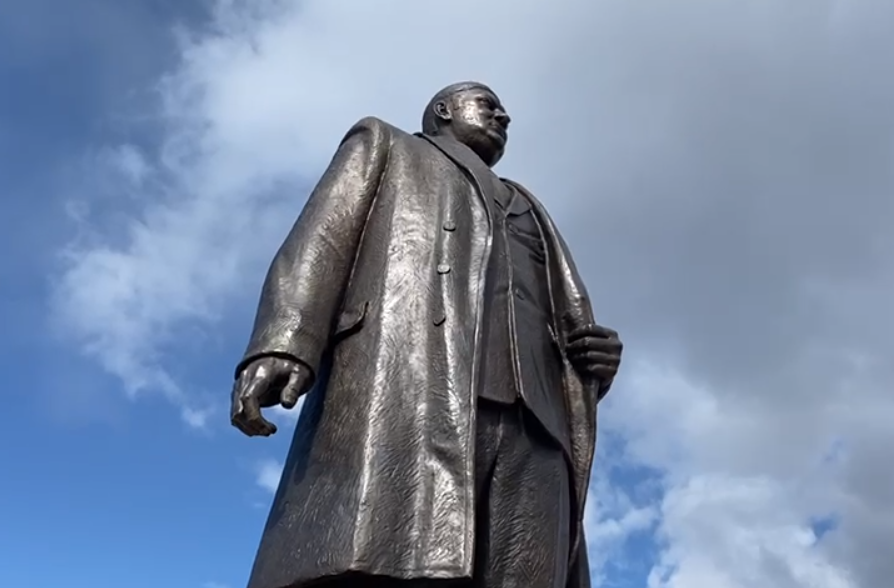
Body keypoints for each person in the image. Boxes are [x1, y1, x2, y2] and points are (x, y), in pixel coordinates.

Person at [230, 81, 622, 588]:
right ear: (443, 110)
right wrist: (284, 339)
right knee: (398, 560)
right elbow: (321, 239)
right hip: (412, 387)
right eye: (487, 104)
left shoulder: (531, 206)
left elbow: (561, 314)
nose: (503, 117)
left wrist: (591, 361)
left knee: (528, 571)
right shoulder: (387, 145)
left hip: (538, 423)